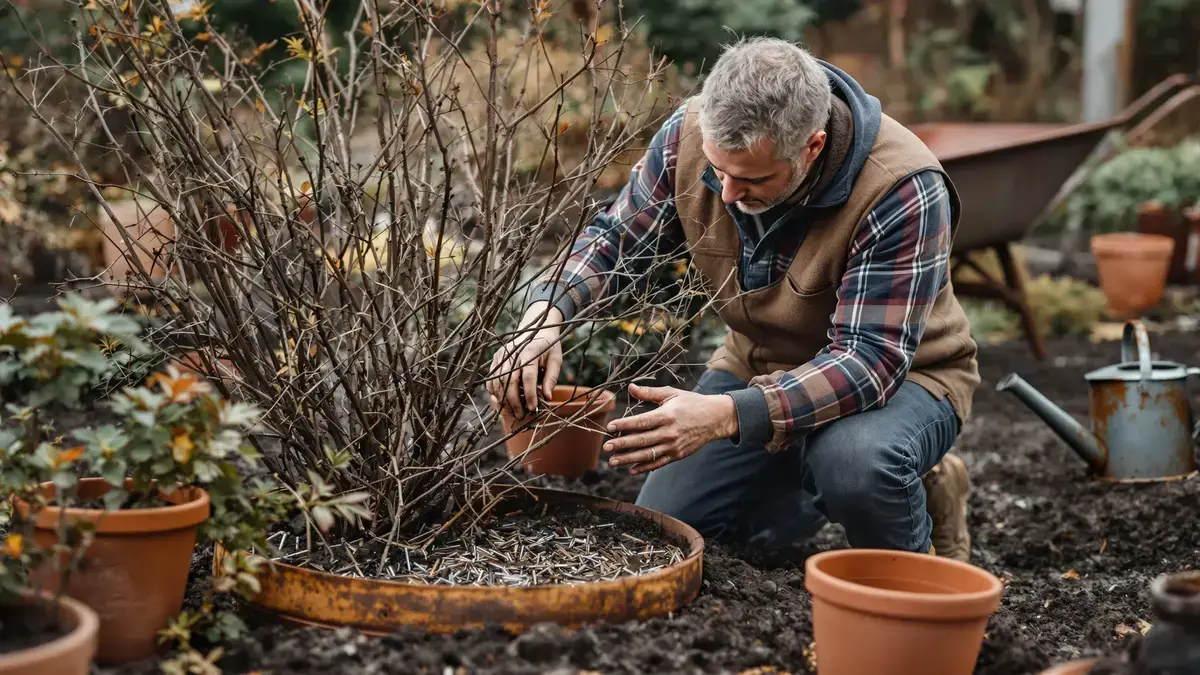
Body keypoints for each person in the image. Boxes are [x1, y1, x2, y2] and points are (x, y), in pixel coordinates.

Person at [486, 37, 980, 562]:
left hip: (904, 381)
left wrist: (726, 416)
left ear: (812, 147)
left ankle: (909, 525)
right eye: (717, 172)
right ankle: (818, 471)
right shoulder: (690, 134)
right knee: (678, 524)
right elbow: (616, 240)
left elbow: (869, 361)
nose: (725, 195)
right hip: (757, 363)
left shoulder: (901, 187)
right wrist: (546, 310)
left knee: (856, 462)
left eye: (750, 179)